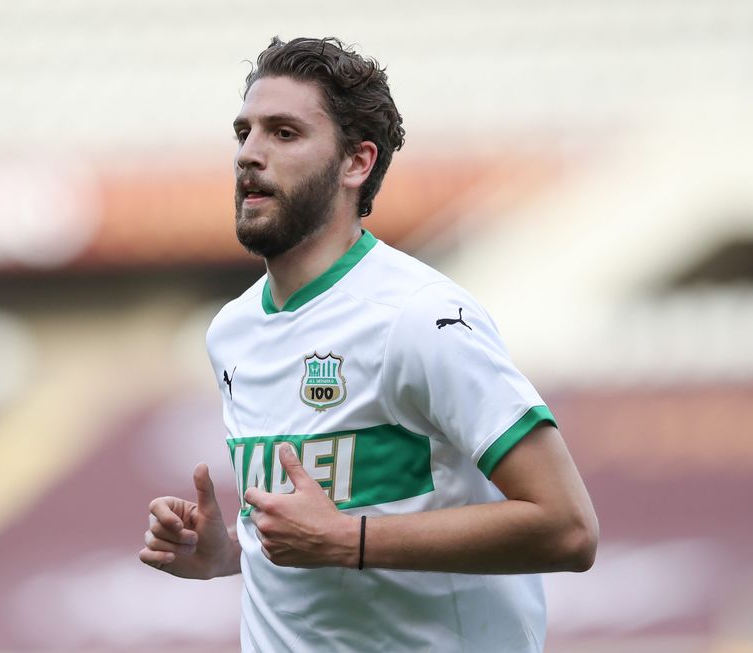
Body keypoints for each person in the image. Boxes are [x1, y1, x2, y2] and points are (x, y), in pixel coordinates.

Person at [140, 36, 598, 652]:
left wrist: (348, 540)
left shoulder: (421, 317)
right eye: (243, 132)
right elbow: (315, 534)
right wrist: (226, 553)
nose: (249, 154)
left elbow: (568, 529)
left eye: (283, 133)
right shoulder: (232, 331)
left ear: (356, 163)